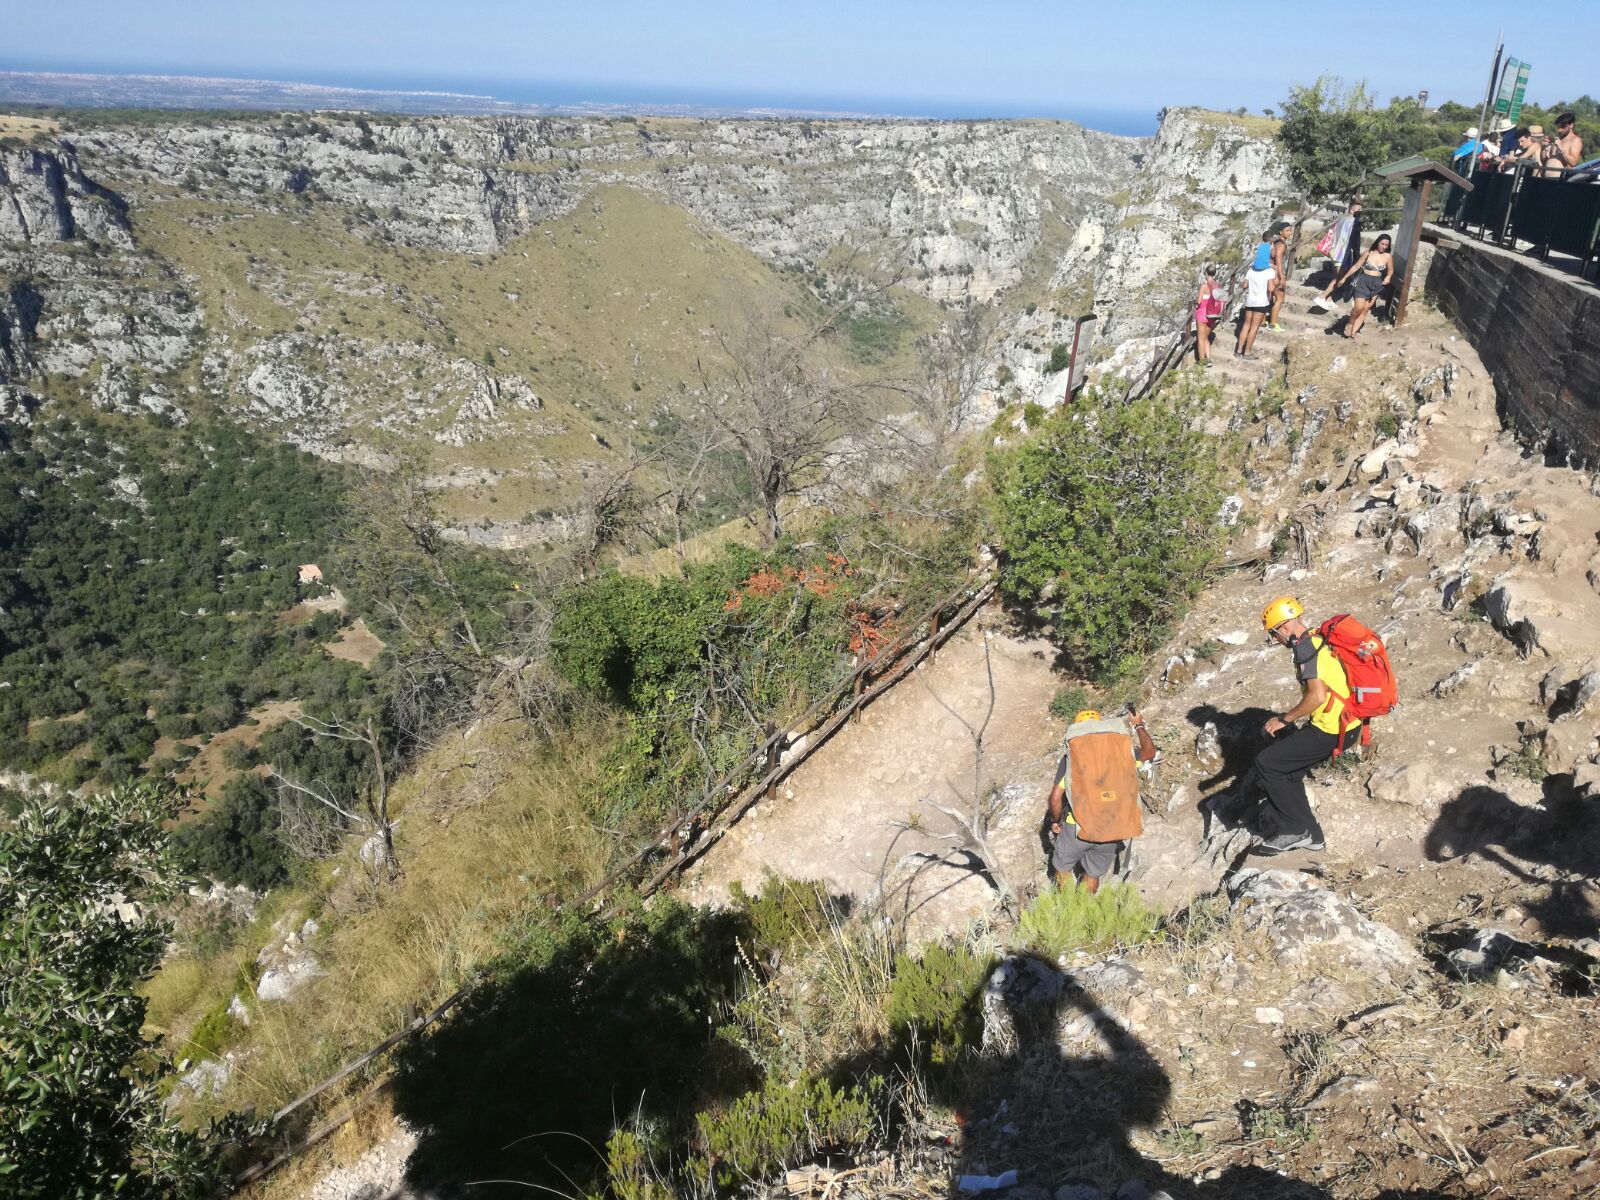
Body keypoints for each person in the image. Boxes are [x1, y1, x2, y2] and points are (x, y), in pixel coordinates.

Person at [1252, 597, 1362, 854]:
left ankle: (1294, 831)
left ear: (1285, 627)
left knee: (1267, 763)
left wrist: (1283, 719)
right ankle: (1312, 835)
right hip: (1349, 723)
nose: (1274, 639)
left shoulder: (1305, 649)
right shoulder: (1317, 638)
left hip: (1331, 729)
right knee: (1288, 771)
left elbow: (1317, 696)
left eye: (1273, 633)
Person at [1045, 708, 1157, 892]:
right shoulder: (1122, 753)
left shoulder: (1072, 758)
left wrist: (1056, 820)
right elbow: (1150, 752)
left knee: (1062, 868)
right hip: (1111, 826)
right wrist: (1138, 725)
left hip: (1077, 827)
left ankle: (1066, 903)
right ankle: (1086, 904)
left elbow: (1055, 798)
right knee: (1093, 874)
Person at [1327, 233, 1392, 339]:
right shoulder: (1368, 253)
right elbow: (1356, 266)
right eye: (1382, 244)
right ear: (1377, 242)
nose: (1384, 247)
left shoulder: (1388, 256)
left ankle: (1354, 332)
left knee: (1366, 309)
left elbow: (1390, 270)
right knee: (1359, 307)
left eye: (1386, 245)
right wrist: (1344, 278)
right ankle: (1350, 324)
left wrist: (1388, 277)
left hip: (1377, 284)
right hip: (1363, 282)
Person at [1313, 201, 1363, 309]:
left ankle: (1330, 299)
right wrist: (1357, 254)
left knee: (1337, 276)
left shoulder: (1341, 219)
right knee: (1338, 279)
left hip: (1334, 251)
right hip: (1342, 254)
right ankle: (1322, 297)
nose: (1360, 212)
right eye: (1358, 209)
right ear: (1351, 210)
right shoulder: (1355, 222)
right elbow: (1356, 240)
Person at [1236, 232, 1276, 357]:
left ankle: (1238, 351)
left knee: (1246, 326)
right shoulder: (1269, 271)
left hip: (1250, 301)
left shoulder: (1251, 270)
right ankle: (1247, 352)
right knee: (1254, 328)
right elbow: (1271, 288)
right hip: (1261, 302)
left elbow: (1244, 285)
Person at [1193, 264, 1222, 365]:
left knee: (1201, 338)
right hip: (1212, 315)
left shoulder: (1204, 286)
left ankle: (1202, 361)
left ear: (1205, 273)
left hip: (1202, 314)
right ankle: (1209, 359)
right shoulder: (1217, 285)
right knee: (1206, 337)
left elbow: (1199, 301)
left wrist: (1195, 300)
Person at [1267, 221, 1292, 331]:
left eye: (1290, 230)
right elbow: (1278, 261)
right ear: (1281, 232)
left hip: (1269, 273)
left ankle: (1263, 322)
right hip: (1275, 274)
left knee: (1268, 297)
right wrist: (1282, 277)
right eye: (1287, 231)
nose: (1289, 233)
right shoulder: (1281, 245)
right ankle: (1273, 324)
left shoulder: (1276, 243)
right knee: (1280, 298)